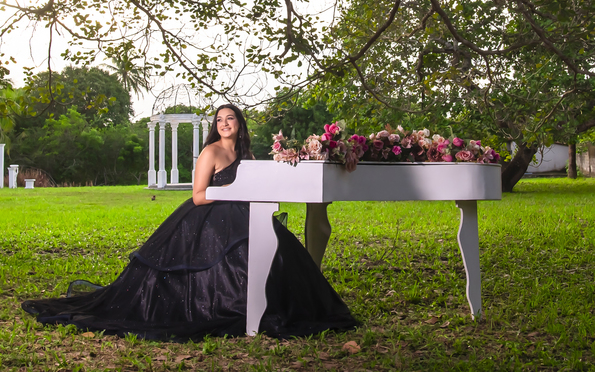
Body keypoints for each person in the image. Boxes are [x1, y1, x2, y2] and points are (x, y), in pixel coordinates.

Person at [21, 104, 357, 340]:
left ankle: (277, 305)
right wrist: (232, 194)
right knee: (231, 258)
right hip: (209, 215)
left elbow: (256, 185)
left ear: (240, 124)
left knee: (278, 249)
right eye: (220, 120)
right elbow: (198, 195)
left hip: (246, 213)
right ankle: (237, 306)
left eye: (230, 118)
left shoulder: (247, 154)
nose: (224, 123)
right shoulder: (211, 151)